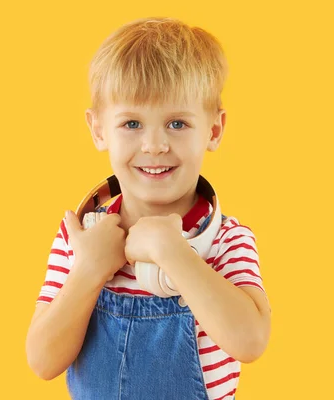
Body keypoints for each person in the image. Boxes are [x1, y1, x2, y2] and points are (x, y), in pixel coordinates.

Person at [25, 16, 272, 400]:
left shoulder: (225, 240)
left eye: (176, 123)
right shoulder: (81, 237)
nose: (154, 145)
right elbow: (42, 361)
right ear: (98, 129)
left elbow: (251, 341)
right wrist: (90, 269)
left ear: (214, 130)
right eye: (132, 123)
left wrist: (173, 253)